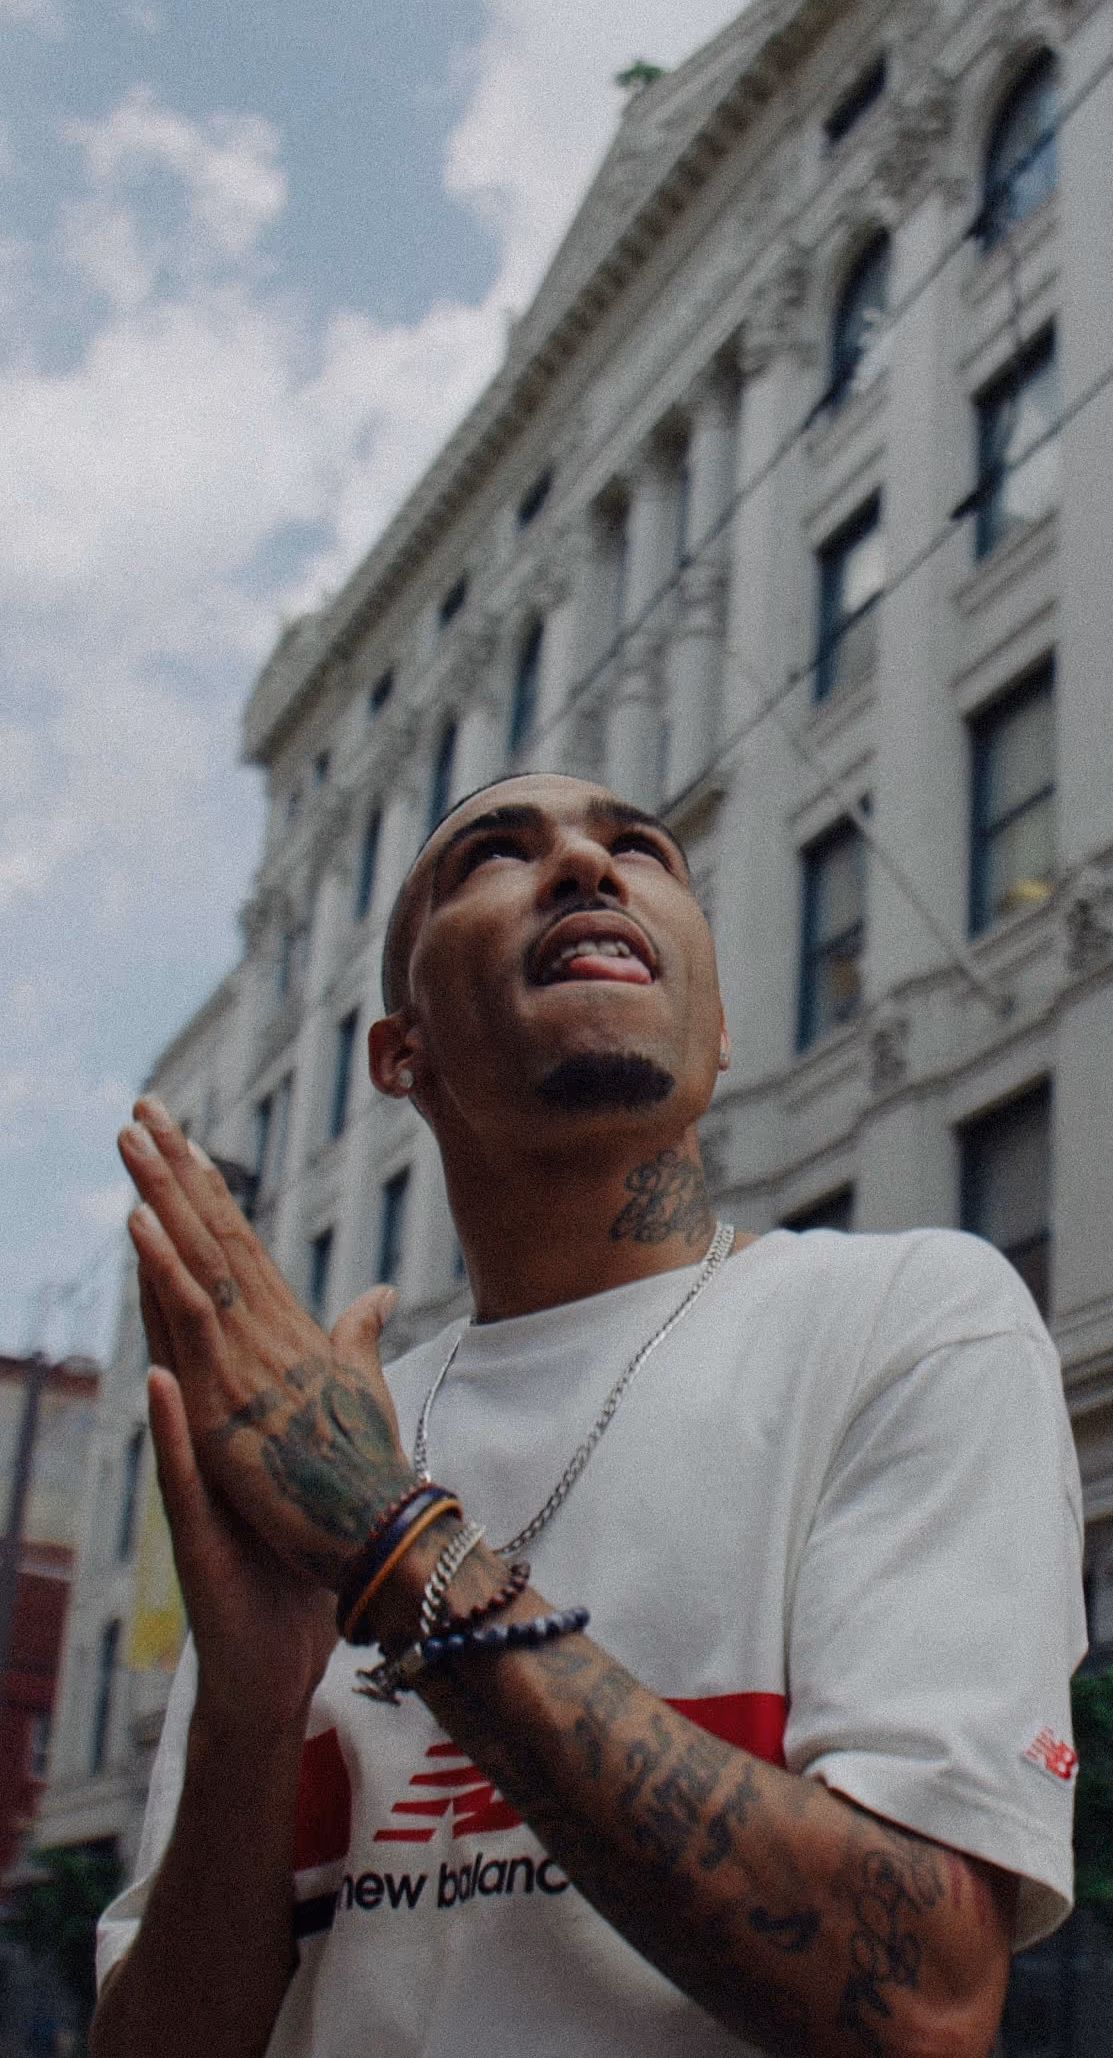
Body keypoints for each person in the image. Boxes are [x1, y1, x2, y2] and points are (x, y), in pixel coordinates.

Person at [92, 772, 1085, 2058]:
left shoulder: (909, 1316)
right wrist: (247, 1709)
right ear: (404, 1055)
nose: (581, 864)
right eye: (495, 855)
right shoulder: (316, 1439)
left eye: (640, 849)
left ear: (718, 1027)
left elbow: (923, 2001)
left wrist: (397, 1553)